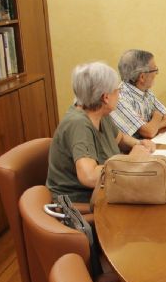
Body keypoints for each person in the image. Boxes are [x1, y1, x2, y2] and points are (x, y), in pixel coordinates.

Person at [47, 62, 156, 203]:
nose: (120, 95)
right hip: (83, 202)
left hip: (107, 190)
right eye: (117, 91)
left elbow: (119, 138)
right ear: (105, 97)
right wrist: (131, 161)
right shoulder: (78, 124)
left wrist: (140, 144)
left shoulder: (99, 112)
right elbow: (89, 176)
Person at [109, 49, 166, 139]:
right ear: (142, 77)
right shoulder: (120, 98)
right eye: (155, 70)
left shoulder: (145, 91)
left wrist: (154, 126)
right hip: (131, 151)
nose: (156, 73)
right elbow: (149, 132)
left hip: (149, 144)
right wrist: (157, 116)